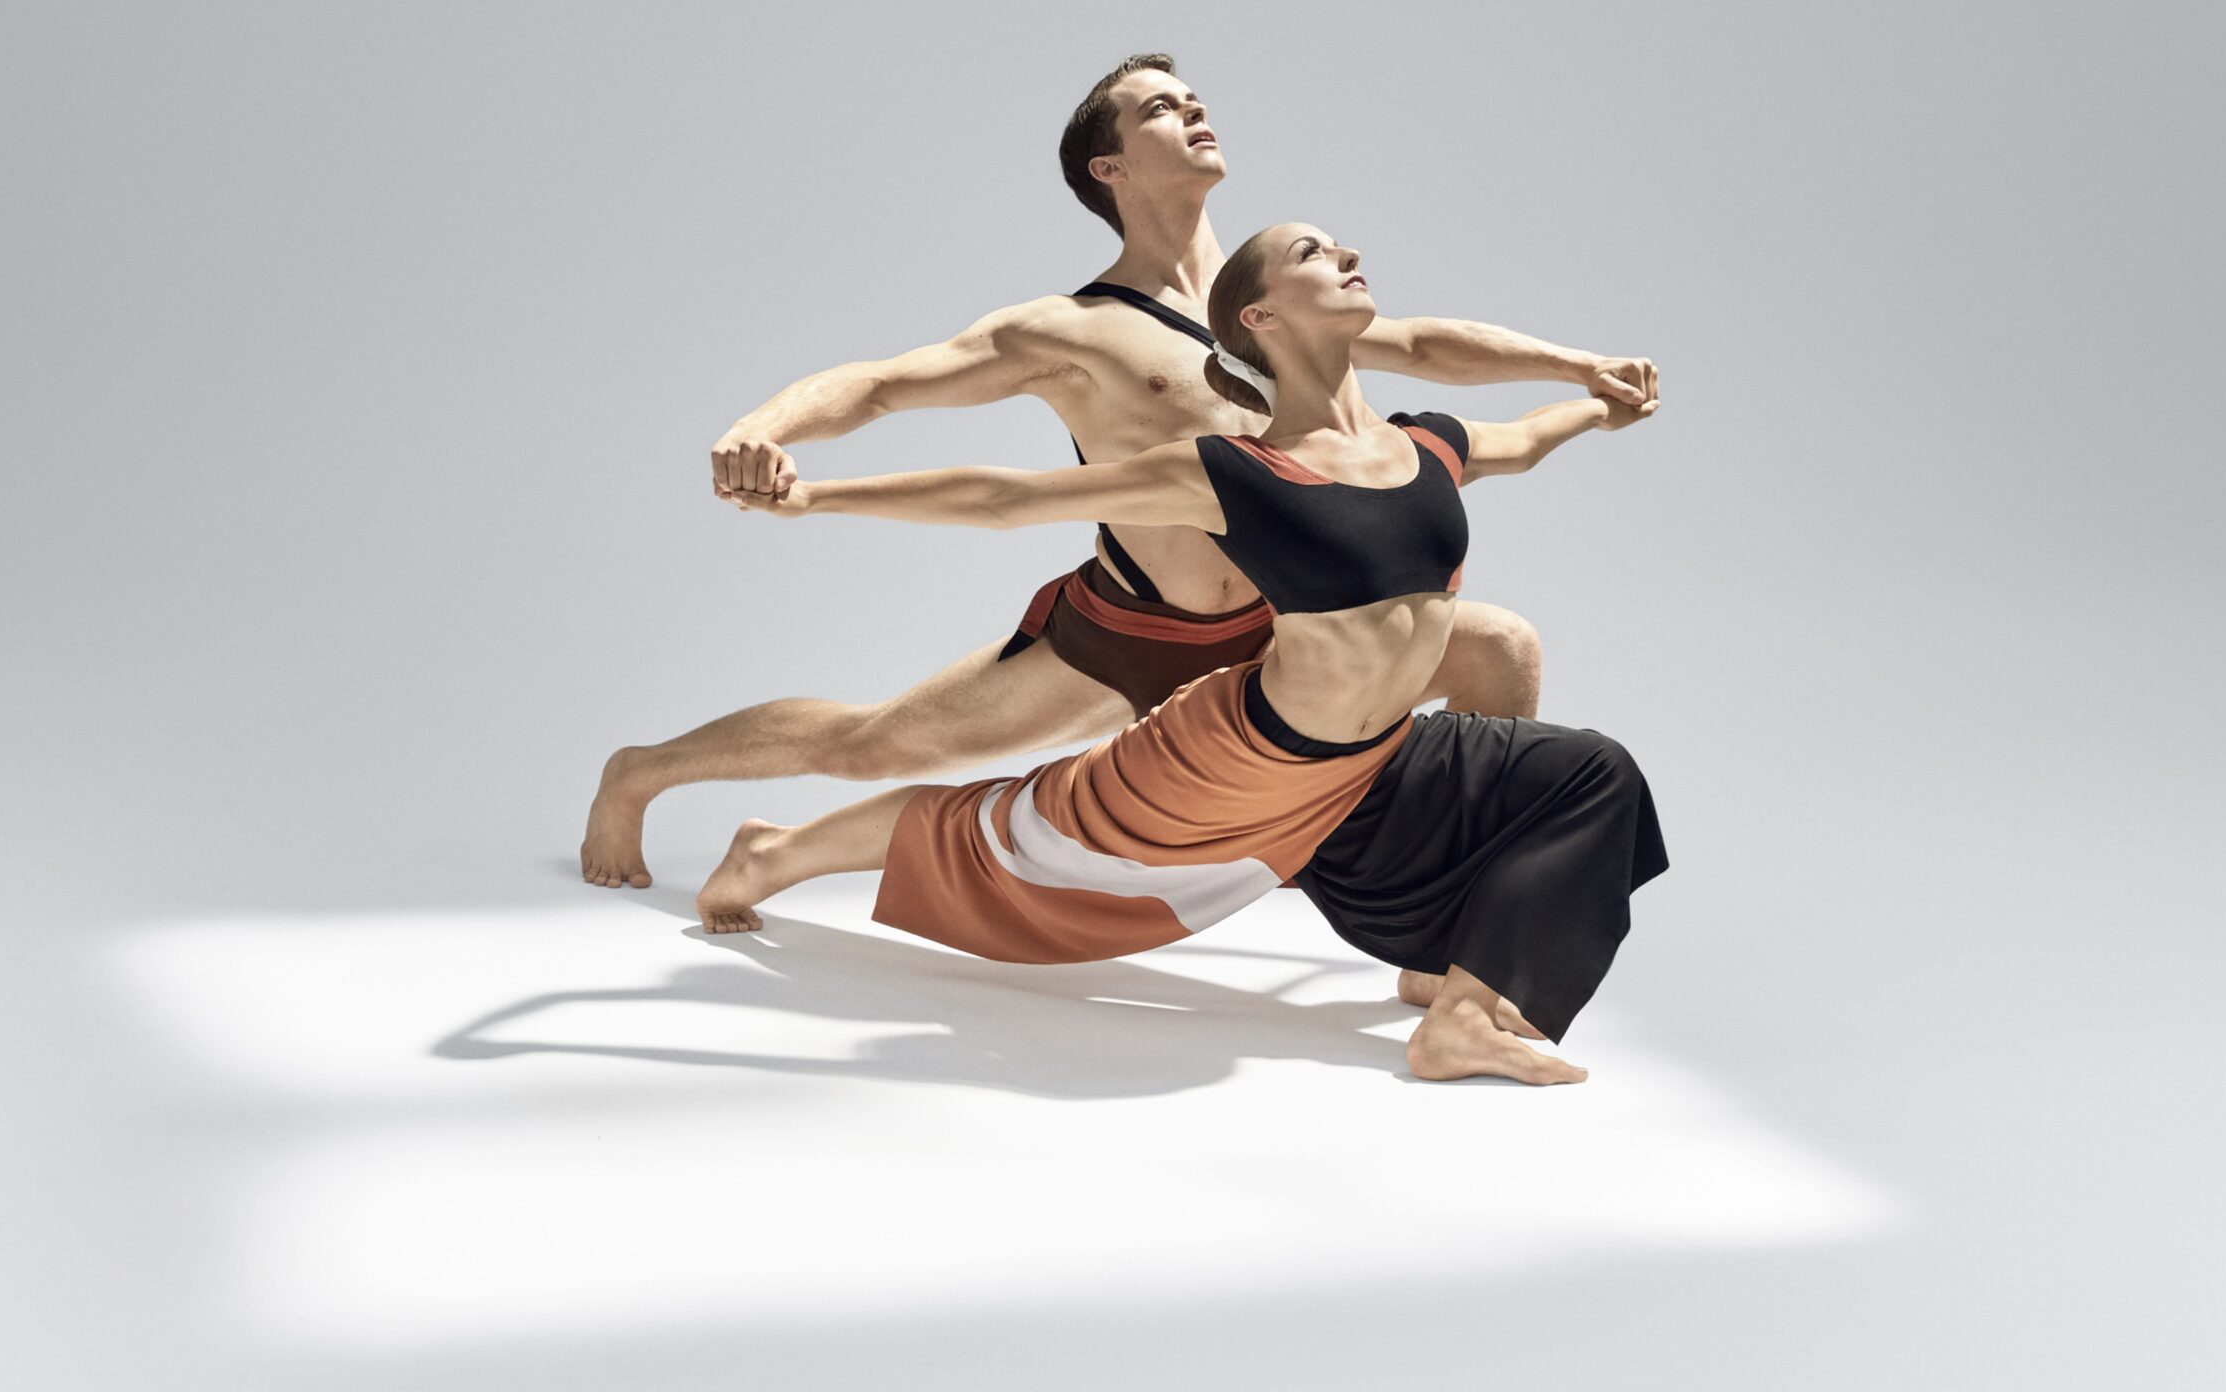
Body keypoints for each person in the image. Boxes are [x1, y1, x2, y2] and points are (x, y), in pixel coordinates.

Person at [580, 53, 1658, 889]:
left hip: (1291, 637)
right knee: (874, 746)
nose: (1195, 112)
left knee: (1497, 650)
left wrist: (1575, 366)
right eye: (1158, 108)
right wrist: (761, 431)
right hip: (1133, 637)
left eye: (1195, 98)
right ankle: (645, 771)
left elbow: (1424, 347)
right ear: (1109, 168)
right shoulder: (1071, 329)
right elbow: (882, 385)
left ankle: (1448, 891)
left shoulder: (1270, 301)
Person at [695, 222, 1667, 1086]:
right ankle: (773, 853)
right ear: (1260, 319)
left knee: (1594, 779)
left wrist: (1597, 401)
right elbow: (1006, 498)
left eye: (1341, 248)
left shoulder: (1430, 444)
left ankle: (1457, 1011)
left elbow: (1530, 437)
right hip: (1236, 761)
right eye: (1313, 255)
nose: (1349, 258)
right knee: (1013, 834)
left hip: (1370, 765)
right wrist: (814, 496)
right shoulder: (1236, 473)